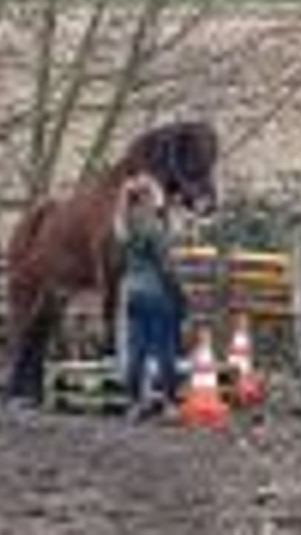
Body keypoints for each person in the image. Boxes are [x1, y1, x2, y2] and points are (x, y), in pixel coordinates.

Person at [114, 173, 183, 421]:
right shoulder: (153, 226)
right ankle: (170, 404)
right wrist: (179, 293)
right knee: (165, 350)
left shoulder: (123, 224)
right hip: (157, 292)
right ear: (148, 197)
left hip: (132, 292)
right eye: (156, 193)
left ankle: (134, 403)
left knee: (137, 350)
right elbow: (166, 265)